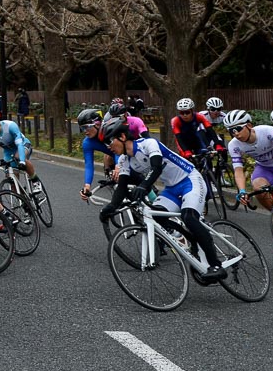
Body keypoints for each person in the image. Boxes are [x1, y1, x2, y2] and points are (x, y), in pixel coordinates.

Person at [97, 115, 228, 281]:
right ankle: (192, 240)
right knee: (156, 216)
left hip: (190, 179)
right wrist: (110, 208)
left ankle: (216, 264)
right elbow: (121, 187)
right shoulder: (124, 160)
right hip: (171, 188)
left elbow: (156, 167)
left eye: (110, 142)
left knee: (189, 216)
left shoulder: (147, 144)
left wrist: (144, 186)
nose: (109, 147)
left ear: (122, 137)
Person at [0, 108, 43, 192]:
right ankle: (22, 198)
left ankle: (35, 181)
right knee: (11, 179)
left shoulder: (10, 126)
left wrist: (22, 161)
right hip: (8, 151)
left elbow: (19, 144)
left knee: (19, 157)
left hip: (22, 145)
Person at [78, 108, 112, 200]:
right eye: (82, 128)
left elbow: (121, 154)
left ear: (98, 124)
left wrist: (119, 167)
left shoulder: (110, 132)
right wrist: (87, 186)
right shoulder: (87, 142)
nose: (85, 131)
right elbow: (89, 165)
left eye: (87, 127)